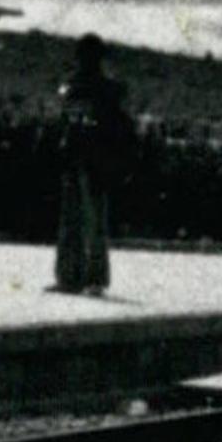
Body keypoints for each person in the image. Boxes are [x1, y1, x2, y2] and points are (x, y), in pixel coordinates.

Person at [55, 34, 132, 296]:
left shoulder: (104, 89)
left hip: (95, 158)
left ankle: (90, 278)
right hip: (77, 156)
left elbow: (114, 127)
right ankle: (71, 277)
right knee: (74, 219)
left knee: (91, 220)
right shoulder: (78, 86)